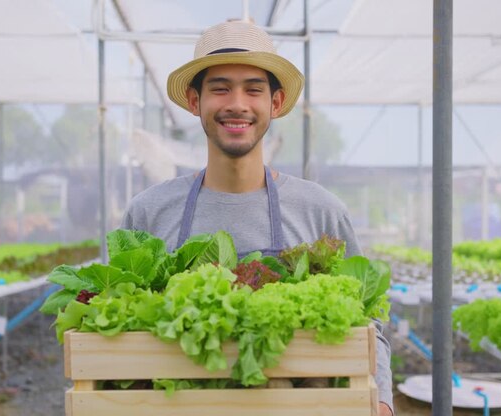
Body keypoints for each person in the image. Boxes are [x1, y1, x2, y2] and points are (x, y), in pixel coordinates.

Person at [121, 20, 394, 415]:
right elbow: (113, 331)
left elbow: (369, 326)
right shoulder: (148, 212)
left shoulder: (320, 210)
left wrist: (381, 401)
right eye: (220, 88)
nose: (237, 103)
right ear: (195, 102)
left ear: (276, 103)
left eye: (253, 89)